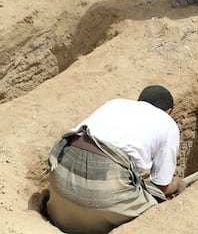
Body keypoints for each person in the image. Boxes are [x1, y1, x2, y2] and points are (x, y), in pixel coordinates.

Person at [45, 85, 187, 233]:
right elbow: (161, 186)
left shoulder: (115, 104)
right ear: (169, 111)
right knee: (154, 207)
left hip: (60, 190)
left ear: (139, 101)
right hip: (100, 195)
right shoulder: (167, 123)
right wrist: (176, 184)